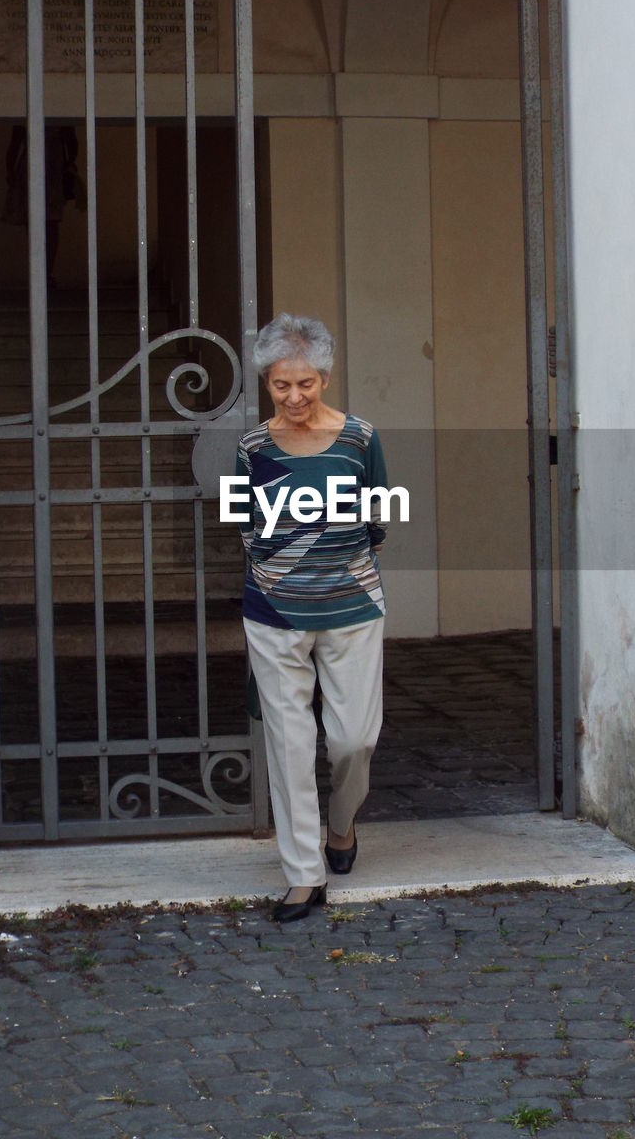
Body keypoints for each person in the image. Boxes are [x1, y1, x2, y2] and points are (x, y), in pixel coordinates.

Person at [235, 314, 388, 923]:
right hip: (274, 611)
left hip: (352, 606)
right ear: (266, 384)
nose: (294, 397)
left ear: (325, 377)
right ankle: (304, 876)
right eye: (280, 386)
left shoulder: (360, 438)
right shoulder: (253, 448)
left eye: (305, 384)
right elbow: (250, 529)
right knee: (290, 744)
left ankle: (343, 825)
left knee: (355, 738)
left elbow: (377, 518)